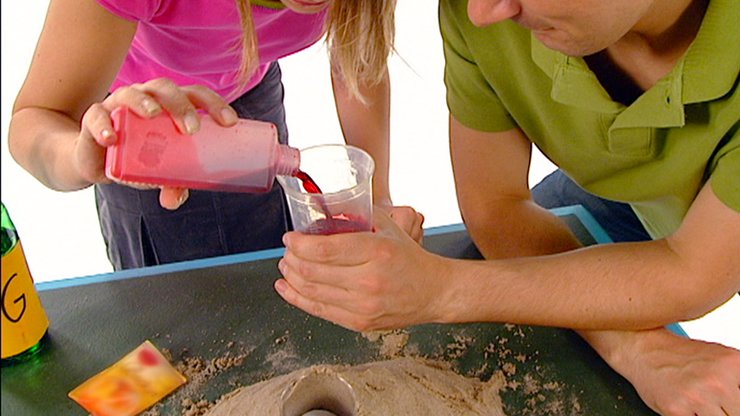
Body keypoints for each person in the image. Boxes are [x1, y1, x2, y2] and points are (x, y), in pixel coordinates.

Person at [274, 0, 740, 414]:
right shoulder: (481, 11)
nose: (482, 12)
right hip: (622, 193)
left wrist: (442, 291)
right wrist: (634, 348)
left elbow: (692, 269)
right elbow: (496, 207)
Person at [8, 0, 424, 270]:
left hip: (251, 89)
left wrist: (379, 197)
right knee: (177, 314)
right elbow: (35, 119)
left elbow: (358, 61)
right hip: (141, 129)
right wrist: (82, 156)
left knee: (267, 273)